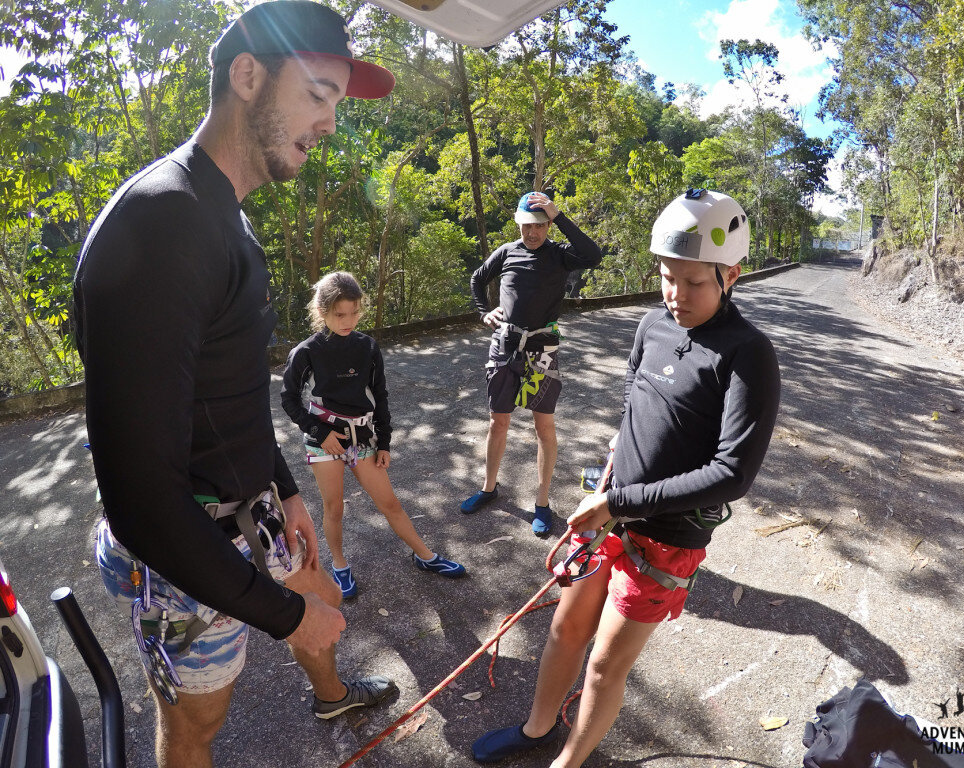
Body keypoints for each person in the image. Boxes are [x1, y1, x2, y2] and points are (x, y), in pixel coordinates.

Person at [73, 4, 400, 766]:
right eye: (318, 93)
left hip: (251, 504)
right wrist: (283, 616)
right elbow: (141, 501)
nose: (328, 122)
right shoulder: (164, 223)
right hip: (185, 543)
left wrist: (284, 487)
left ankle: (331, 695)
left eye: (338, 105)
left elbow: (232, 388)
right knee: (196, 727)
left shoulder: (225, 212)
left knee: (323, 604)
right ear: (246, 75)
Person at [470, 189, 781, 766]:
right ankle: (538, 729)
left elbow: (732, 474)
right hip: (610, 507)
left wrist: (618, 503)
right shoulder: (652, 325)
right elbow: (633, 404)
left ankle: (569, 762)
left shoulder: (747, 354)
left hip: (667, 536)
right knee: (566, 630)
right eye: (667, 277)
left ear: (730, 275)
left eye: (693, 283)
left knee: (606, 664)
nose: (676, 295)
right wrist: (612, 469)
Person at [281, 271, 467, 598]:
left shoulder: (367, 346)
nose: (348, 320)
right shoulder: (307, 351)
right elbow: (289, 399)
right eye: (340, 314)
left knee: (390, 502)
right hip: (324, 440)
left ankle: (426, 556)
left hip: (362, 438)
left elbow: (380, 396)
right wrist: (319, 432)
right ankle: (339, 565)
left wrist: (384, 442)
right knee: (334, 507)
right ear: (322, 312)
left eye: (354, 312)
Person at [460, 191, 602, 536]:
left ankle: (542, 502)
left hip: (543, 348)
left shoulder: (560, 255)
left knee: (544, 427)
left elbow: (593, 255)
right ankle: (489, 488)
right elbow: (478, 278)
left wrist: (560, 214)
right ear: (519, 224)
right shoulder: (507, 252)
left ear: (548, 224)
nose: (532, 232)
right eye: (526, 225)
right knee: (498, 422)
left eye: (539, 225)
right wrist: (484, 311)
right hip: (505, 345)